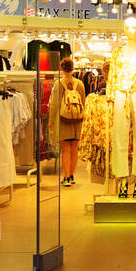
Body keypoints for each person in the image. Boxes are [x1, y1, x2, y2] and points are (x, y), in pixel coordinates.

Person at [48, 57, 86, 187]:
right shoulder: (80, 84)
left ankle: (66, 177)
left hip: (63, 119)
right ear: (73, 68)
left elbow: (54, 105)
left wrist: (51, 121)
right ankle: (72, 175)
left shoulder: (58, 84)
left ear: (61, 68)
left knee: (65, 150)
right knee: (74, 148)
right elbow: (83, 104)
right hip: (76, 120)